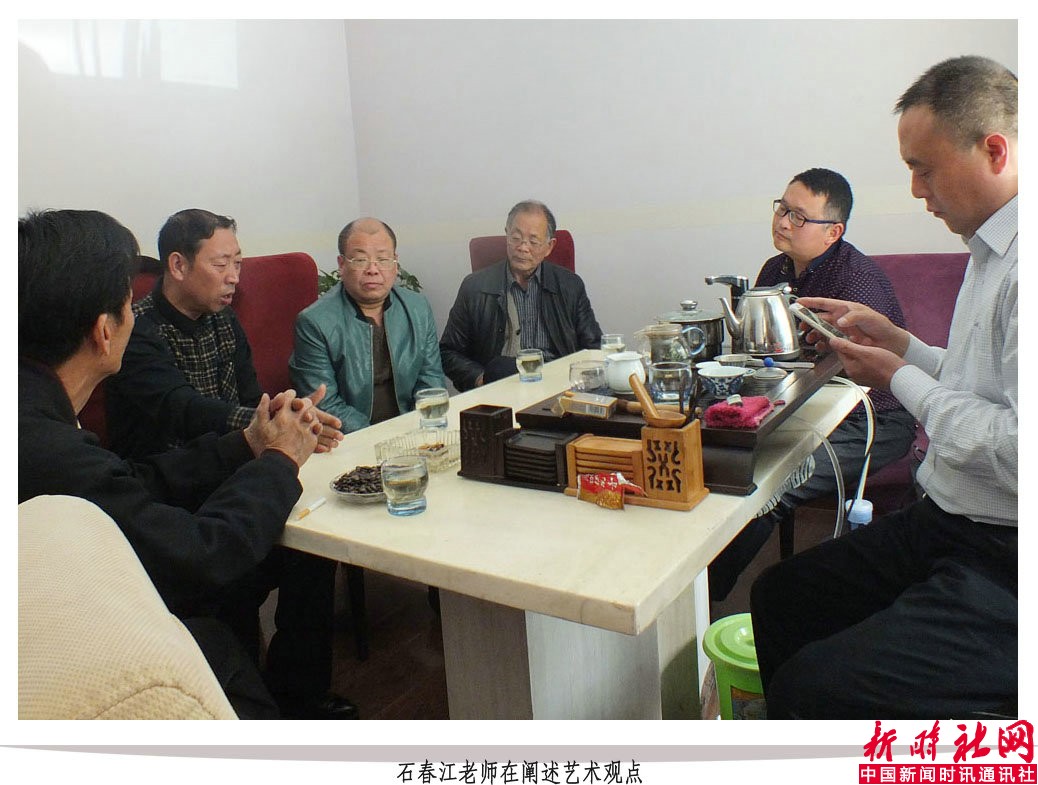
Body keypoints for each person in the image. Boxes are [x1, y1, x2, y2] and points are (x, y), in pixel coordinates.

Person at [750, 55, 1017, 718]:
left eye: (924, 168)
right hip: (948, 516)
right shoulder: (988, 252)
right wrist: (901, 344)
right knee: (779, 596)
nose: (916, 190)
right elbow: (978, 382)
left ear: (994, 151)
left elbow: (1019, 447)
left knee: (812, 686)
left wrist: (897, 375)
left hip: (1007, 552)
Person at [19, 208, 357, 720]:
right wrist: (279, 454)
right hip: (128, 579)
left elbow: (131, 481)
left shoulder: (35, 410)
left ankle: (299, 697)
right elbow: (198, 552)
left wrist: (252, 439)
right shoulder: (47, 446)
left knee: (307, 545)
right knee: (223, 627)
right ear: (104, 331)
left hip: (175, 494)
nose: (233, 276)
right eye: (126, 302)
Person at [708, 169, 916, 602]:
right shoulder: (775, 269)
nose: (783, 222)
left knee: (776, 482)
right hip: (802, 408)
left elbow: (864, 371)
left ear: (832, 232)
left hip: (872, 419)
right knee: (724, 459)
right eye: (782, 209)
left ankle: (707, 596)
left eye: (799, 216)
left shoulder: (857, 281)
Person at [106, 208, 343, 459]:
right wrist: (271, 422)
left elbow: (252, 398)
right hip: (163, 472)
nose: (234, 277)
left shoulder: (224, 317)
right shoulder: (134, 328)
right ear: (178, 266)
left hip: (229, 461)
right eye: (221, 265)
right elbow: (183, 409)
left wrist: (287, 416)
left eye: (237, 264)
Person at [289, 217, 446, 433]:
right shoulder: (314, 322)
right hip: (352, 437)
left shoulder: (417, 307)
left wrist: (415, 430)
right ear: (342, 264)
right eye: (360, 260)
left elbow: (431, 381)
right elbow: (325, 404)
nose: (373, 269)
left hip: (414, 431)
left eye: (383, 259)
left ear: (395, 263)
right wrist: (381, 438)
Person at [439, 200, 603, 390]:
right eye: (516, 238)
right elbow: (448, 352)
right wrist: (481, 379)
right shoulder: (474, 288)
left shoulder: (570, 286)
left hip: (559, 387)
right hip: (501, 387)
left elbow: (594, 348)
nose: (523, 247)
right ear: (506, 236)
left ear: (549, 247)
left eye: (533, 241)